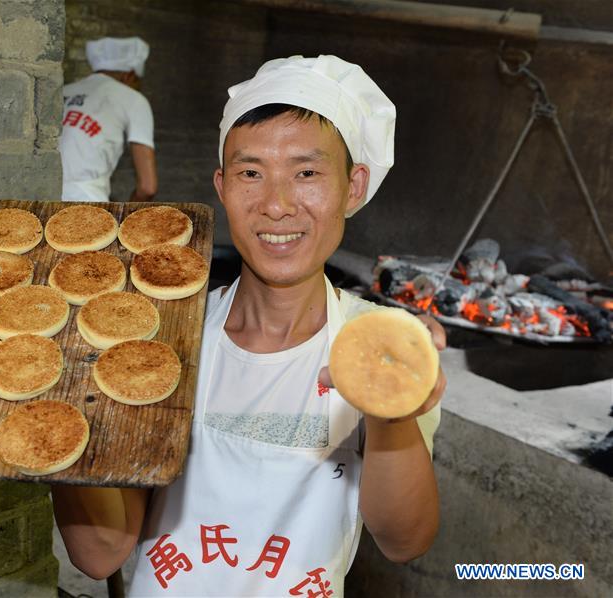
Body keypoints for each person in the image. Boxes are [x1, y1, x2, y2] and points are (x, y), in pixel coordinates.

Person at [52, 55, 445, 597]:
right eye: (251, 173)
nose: (276, 206)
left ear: (353, 186)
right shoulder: (169, 337)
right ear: (222, 186)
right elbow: (99, 554)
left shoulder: (376, 349)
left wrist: (391, 414)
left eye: (306, 173)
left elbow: (404, 541)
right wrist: (63, 396)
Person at [59, 37, 157, 203]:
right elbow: (147, 187)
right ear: (129, 75)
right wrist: (128, 215)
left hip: (42, 199)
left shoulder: (63, 91)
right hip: (88, 205)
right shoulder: (134, 99)